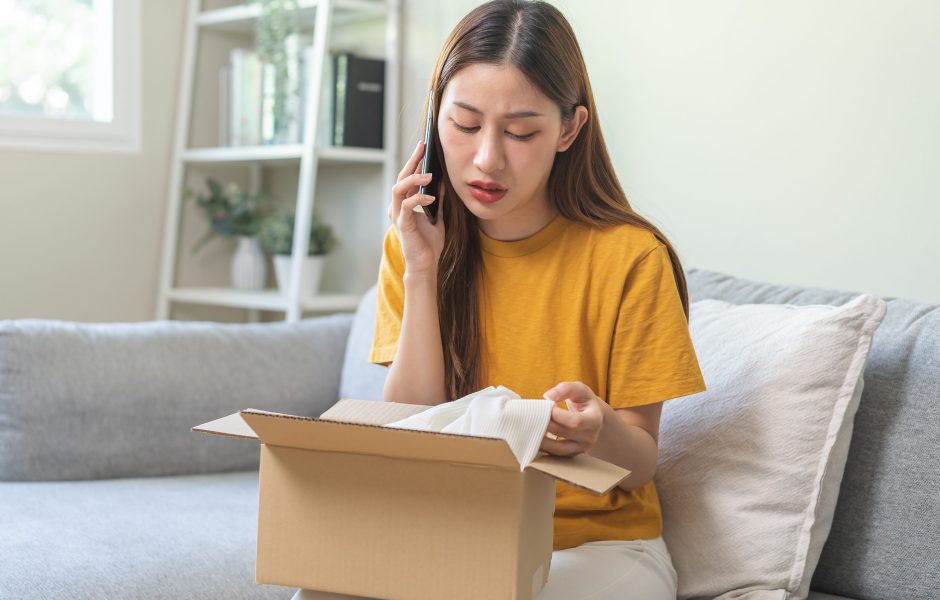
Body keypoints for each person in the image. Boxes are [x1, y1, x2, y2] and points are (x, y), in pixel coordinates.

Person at [292, 1, 707, 598]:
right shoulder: (413, 246)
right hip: (460, 532)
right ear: (436, 115)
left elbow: (639, 462)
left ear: (569, 129)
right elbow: (412, 427)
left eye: (520, 131)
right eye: (464, 124)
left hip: (600, 547)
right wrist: (421, 272)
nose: (487, 158)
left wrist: (600, 429)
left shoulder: (630, 258)